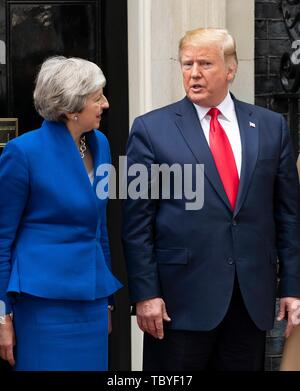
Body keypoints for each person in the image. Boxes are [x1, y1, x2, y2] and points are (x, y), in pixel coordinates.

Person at [122, 28, 300, 371]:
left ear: (230, 69)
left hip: (249, 302)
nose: (194, 73)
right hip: (178, 304)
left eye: (205, 63)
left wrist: (292, 286)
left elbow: (288, 215)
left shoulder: (270, 127)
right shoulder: (150, 129)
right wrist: (145, 294)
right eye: (187, 64)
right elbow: (136, 222)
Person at [0, 56, 122, 371]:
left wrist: (107, 299)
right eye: (97, 98)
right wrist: (3, 315)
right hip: (43, 305)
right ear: (71, 109)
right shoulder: (23, 153)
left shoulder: (101, 145)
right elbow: (2, 240)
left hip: (92, 301)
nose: (105, 104)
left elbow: (100, 227)